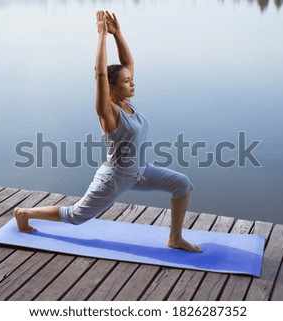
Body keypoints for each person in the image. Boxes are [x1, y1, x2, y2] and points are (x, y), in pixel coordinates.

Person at [14, 11, 201, 253]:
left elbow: (128, 64)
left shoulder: (127, 102)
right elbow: (101, 73)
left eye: (131, 79)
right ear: (111, 86)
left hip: (140, 171)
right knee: (76, 216)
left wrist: (118, 34)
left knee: (182, 184)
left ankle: (175, 238)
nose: (132, 82)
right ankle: (24, 213)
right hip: (114, 178)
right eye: (126, 81)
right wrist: (101, 35)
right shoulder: (109, 112)